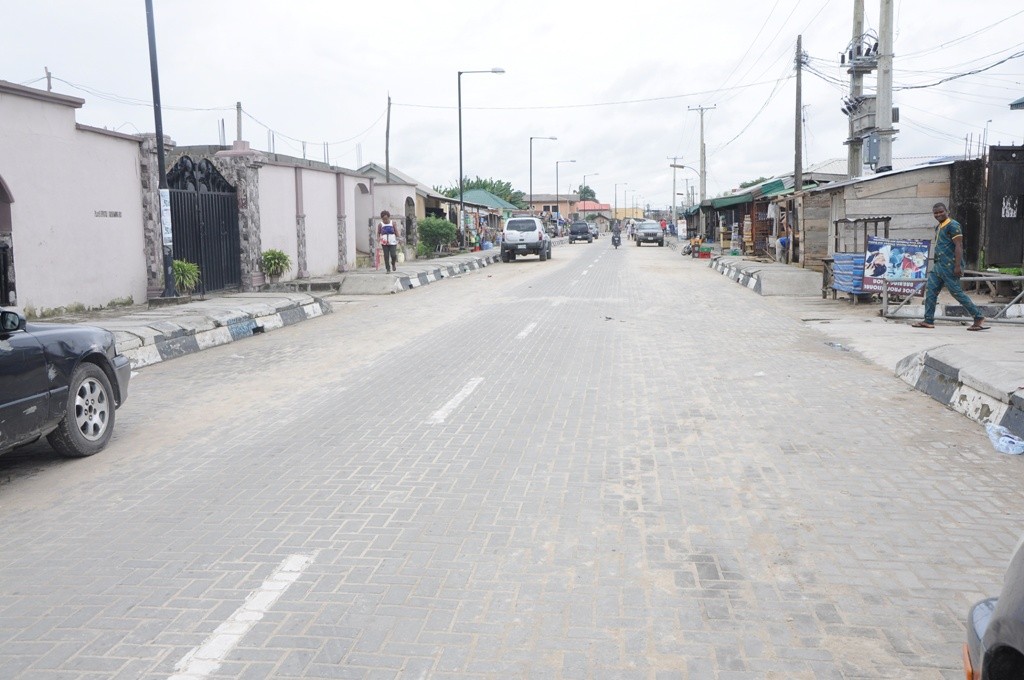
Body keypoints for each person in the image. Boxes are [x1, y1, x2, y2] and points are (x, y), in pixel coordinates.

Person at [912, 202, 988, 331]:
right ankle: (928, 320)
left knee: (956, 293)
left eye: (941, 212)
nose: (938, 214)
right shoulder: (939, 227)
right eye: (935, 213)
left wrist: (957, 266)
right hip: (938, 266)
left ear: (947, 211)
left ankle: (978, 317)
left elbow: (959, 246)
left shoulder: (953, 225)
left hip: (950, 266)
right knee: (930, 291)